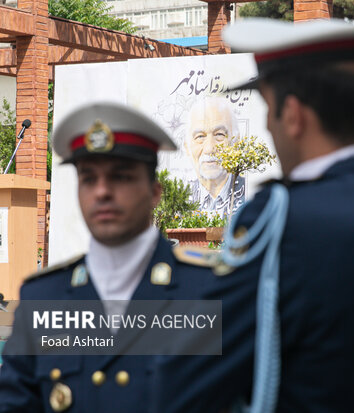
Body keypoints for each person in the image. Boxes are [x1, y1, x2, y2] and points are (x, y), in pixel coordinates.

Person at [151, 18, 354, 413]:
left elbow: (198, 372)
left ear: (293, 114)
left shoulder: (278, 223)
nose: (267, 125)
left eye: (269, 111)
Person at [0, 102, 215, 413]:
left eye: (121, 177)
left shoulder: (208, 291)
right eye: (88, 178)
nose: (102, 191)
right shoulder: (43, 297)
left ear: (155, 191)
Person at [184, 97, 245, 216]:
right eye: (200, 137)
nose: (209, 149)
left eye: (219, 135)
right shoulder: (180, 201)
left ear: (236, 142)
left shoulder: (250, 196)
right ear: (187, 147)